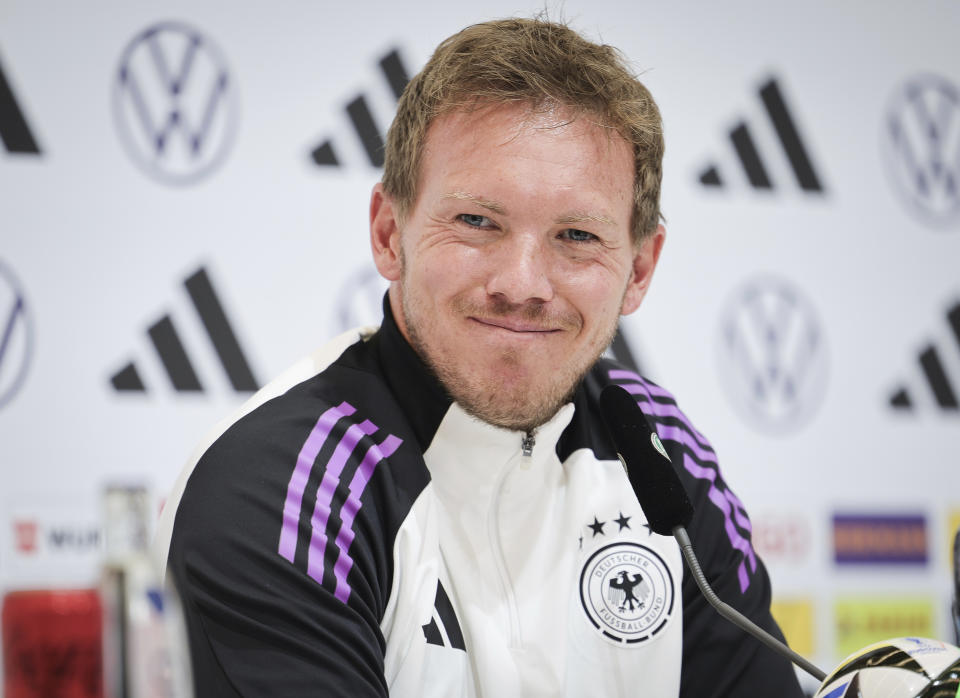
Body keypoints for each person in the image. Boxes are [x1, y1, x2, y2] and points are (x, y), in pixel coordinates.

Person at [155, 17, 804, 697]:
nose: (522, 284)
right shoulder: (281, 486)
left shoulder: (658, 453)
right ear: (388, 233)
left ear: (639, 270)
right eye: (476, 222)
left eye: (577, 235)